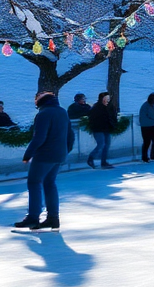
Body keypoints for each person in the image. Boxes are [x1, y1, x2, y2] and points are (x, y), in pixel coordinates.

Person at [12, 92, 74, 232]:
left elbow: (39, 137)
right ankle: (53, 218)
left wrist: (28, 154)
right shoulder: (62, 112)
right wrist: (65, 150)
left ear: (40, 101)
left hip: (45, 155)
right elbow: (70, 134)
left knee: (34, 183)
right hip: (59, 154)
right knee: (49, 183)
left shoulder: (44, 113)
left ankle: (33, 217)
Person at [86, 92, 118, 169]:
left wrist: (113, 124)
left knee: (106, 145)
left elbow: (113, 116)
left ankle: (103, 162)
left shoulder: (110, 107)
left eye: (108, 98)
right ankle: (91, 158)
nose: (107, 100)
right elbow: (92, 118)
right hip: (98, 129)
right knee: (101, 144)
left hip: (107, 128)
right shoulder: (96, 107)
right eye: (106, 98)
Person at [138, 92, 154, 162]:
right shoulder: (145, 106)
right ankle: (144, 157)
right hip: (146, 127)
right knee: (147, 142)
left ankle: (153, 155)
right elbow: (143, 118)